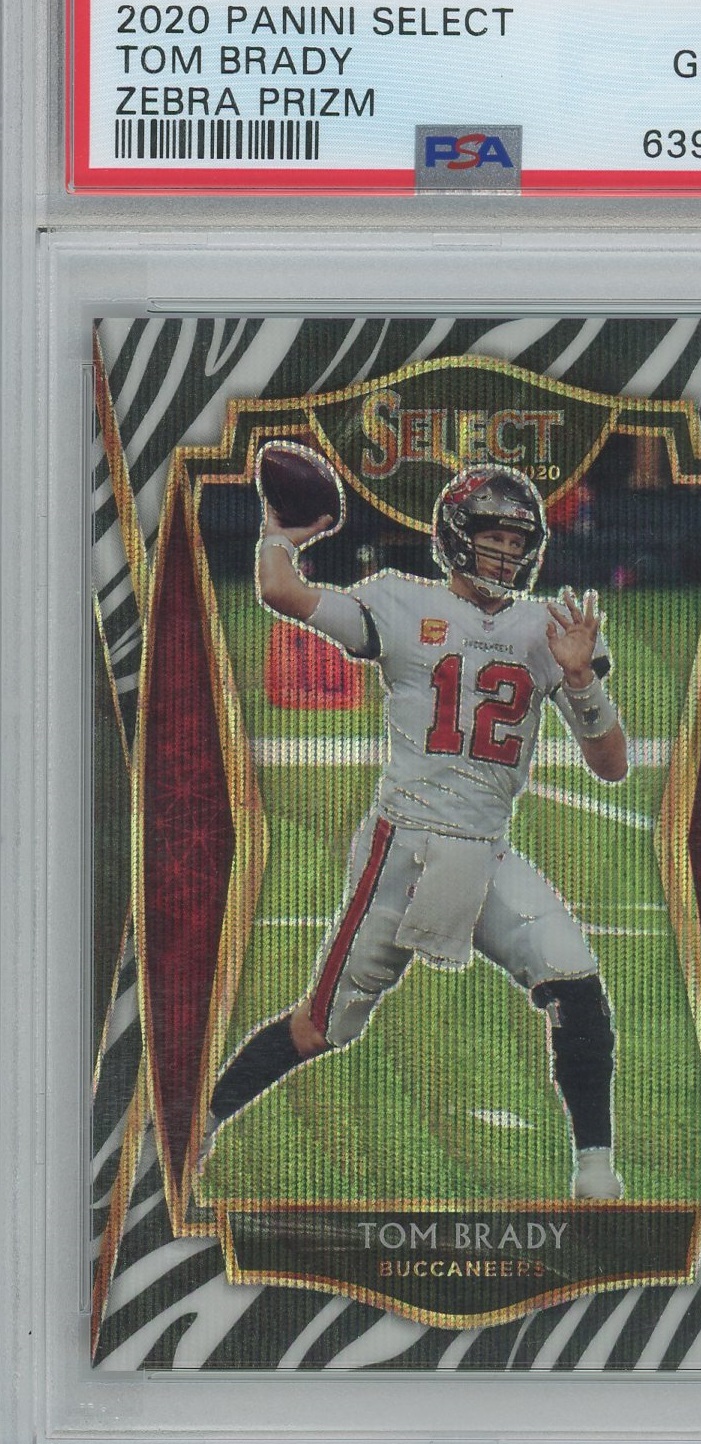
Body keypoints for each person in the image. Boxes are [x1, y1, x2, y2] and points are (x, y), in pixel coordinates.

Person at [202, 464, 629, 1199]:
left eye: (517, 541)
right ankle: (197, 1124)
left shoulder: (545, 629)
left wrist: (583, 681)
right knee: (322, 1027)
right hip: (402, 848)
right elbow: (282, 592)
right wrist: (279, 536)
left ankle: (596, 1172)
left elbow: (612, 765)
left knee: (576, 980)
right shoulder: (401, 601)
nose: (506, 554)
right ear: (456, 537)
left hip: (484, 851)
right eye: (493, 537)